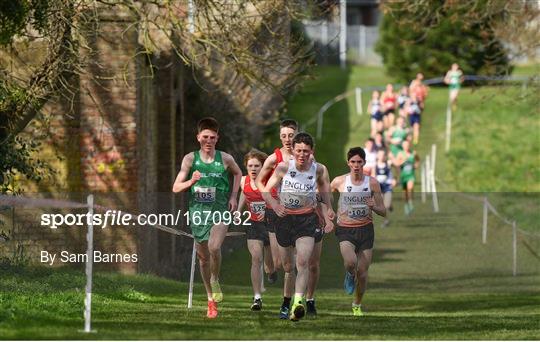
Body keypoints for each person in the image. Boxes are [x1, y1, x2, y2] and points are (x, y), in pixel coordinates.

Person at [172, 117, 242, 318]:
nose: (208, 140)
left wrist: (234, 196)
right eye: (205, 137)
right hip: (198, 212)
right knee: (203, 258)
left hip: (220, 210)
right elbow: (176, 187)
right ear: (198, 138)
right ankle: (211, 300)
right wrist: (191, 181)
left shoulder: (226, 158)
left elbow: (238, 174)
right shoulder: (190, 159)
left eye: (212, 137)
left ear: (217, 138)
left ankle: (215, 278)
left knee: (214, 247)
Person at [262, 132, 334, 321]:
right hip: (285, 220)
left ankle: (297, 303)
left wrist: (329, 210)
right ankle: (286, 301)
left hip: (306, 220)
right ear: (293, 151)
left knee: (302, 262)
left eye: (306, 151)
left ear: (312, 152)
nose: (302, 154)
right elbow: (266, 189)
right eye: (299, 150)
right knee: (287, 266)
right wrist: (276, 205)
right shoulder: (283, 168)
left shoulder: (318, 169)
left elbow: (324, 189)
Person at [330, 147, 386, 317]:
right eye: (353, 162)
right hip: (345, 229)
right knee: (350, 262)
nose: (356, 165)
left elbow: (383, 211)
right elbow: (325, 195)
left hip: (366, 230)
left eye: (359, 162)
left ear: (364, 163)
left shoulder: (372, 183)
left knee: (362, 272)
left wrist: (373, 206)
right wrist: (327, 210)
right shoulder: (339, 181)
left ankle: (357, 304)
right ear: (348, 163)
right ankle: (348, 274)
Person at [255, 119, 298, 318]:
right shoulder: (274, 158)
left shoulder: (306, 156)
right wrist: (271, 200)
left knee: (292, 264)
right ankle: (272, 271)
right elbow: (259, 180)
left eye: (291, 135)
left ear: (297, 134)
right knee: (279, 263)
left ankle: (292, 300)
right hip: (275, 211)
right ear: (280, 137)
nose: (288, 139)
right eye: (284, 136)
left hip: (298, 213)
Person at [237, 149, 273, 311]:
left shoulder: (269, 180)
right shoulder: (243, 180)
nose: (253, 169)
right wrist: (239, 210)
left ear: (262, 166)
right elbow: (245, 194)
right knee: (256, 259)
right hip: (253, 224)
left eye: (257, 166)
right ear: (246, 167)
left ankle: (272, 272)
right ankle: (257, 297)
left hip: (271, 224)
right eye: (250, 165)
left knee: (270, 266)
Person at [395, 140, 420, 215]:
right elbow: (397, 164)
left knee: (410, 187)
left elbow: (418, 159)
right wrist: (403, 161)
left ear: (409, 145)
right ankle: (406, 205)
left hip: (410, 174)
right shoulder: (400, 154)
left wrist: (416, 165)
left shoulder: (413, 153)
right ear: (402, 146)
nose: (406, 147)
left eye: (407, 145)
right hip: (403, 175)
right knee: (405, 192)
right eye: (404, 145)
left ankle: (411, 202)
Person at [375, 150, 395, 227]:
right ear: (377, 156)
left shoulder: (388, 164)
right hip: (379, 187)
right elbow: (373, 175)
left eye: (383, 155)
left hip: (387, 186)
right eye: (380, 155)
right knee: (382, 206)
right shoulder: (375, 165)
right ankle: (386, 220)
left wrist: (395, 179)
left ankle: (390, 206)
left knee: (387, 205)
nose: (381, 157)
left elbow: (397, 167)